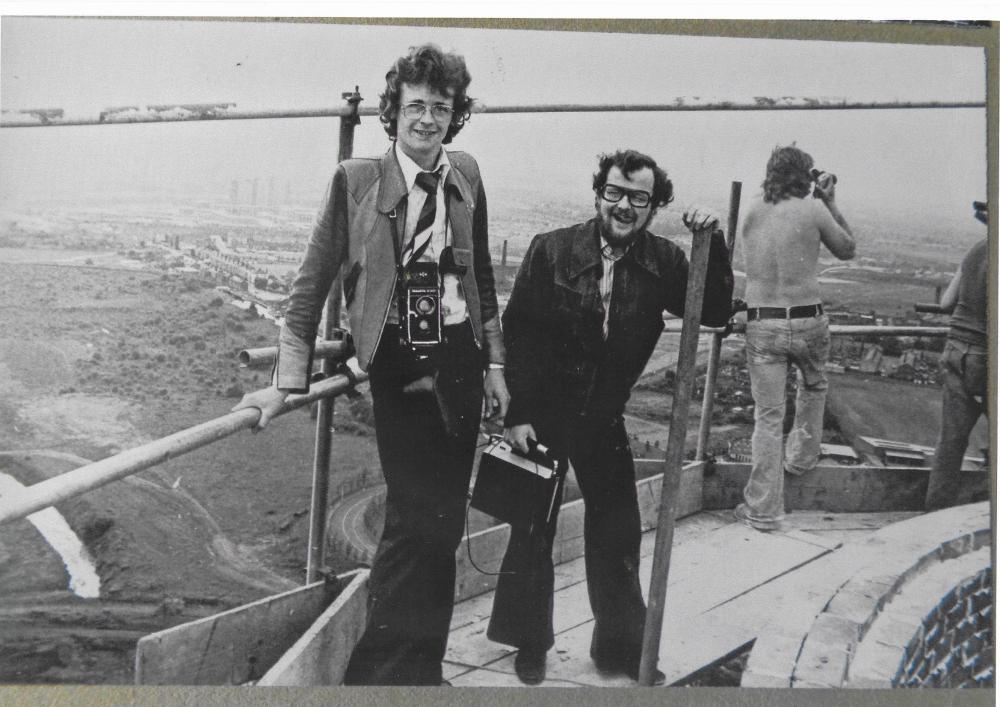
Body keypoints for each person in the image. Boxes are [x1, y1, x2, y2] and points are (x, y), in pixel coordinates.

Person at [234, 44, 509, 686]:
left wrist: (495, 363)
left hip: (461, 360)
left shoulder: (465, 174)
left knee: (442, 528)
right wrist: (288, 382)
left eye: (441, 108)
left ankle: (422, 673)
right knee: (413, 524)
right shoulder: (357, 181)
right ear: (393, 111)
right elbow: (310, 286)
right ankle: (373, 680)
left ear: (455, 115)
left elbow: (483, 280)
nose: (427, 119)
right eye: (415, 105)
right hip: (397, 364)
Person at [487, 149, 735, 685]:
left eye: (638, 198)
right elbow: (520, 333)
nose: (624, 206)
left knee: (618, 533)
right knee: (533, 528)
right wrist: (518, 413)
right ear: (598, 192)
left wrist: (712, 244)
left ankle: (619, 650)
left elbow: (712, 310)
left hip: (602, 415)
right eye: (615, 192)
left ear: (654, 206)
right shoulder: (550, 249)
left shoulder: (665, 261)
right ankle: (530, 644)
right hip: (545, 412)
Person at [734, 144, 855, 532]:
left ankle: (763, 512)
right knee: (814, 386)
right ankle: (801, 461)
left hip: (763, 322)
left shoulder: (750, 210)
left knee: (767, 418)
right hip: (807, 320)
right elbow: (847, 250)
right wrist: (830, 200)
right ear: (805, 175)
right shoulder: (813, 209)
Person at [925, 201, 989, 511]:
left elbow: (947, 303)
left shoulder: (976, 250)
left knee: (950, 443)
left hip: (954, 350)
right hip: (985, 357)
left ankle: (933, 515)